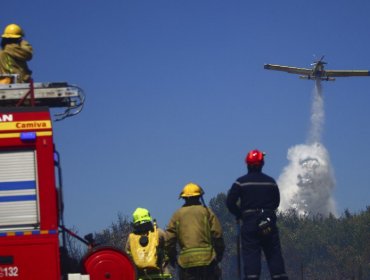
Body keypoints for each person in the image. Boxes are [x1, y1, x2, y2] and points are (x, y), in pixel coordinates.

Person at [226, 149, 288, 280]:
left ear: (247, 164)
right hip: (268, 223)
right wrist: (267, 213)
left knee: (251, 258)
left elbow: (230, 202)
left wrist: (240, 214)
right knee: (274, 255)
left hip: (249, 225)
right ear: (262, 164)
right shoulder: (271, 182)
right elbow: (276, 202)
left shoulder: (240, 182)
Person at [166, 182, 225, 280]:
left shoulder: (177, 215)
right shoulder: (207, 212)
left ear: (184, 198)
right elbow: (217, 235)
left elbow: (169, 241)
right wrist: (219, 255)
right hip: (207, 261)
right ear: (199, 196)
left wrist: (172, 258)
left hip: (186, 264)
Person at [126, 207, 172, 280]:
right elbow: (169, 246)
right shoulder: (158, 233)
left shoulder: (131, 238)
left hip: (141, 276)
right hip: (160, 275)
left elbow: (127, 256)